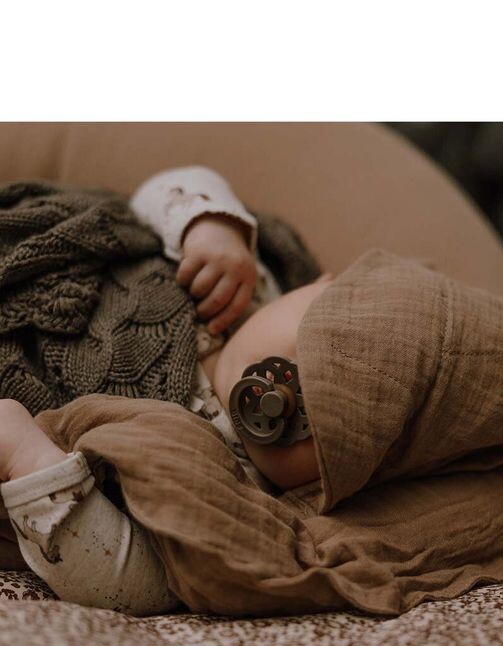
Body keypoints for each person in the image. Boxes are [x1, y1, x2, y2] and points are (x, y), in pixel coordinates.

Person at [0, 166, 330, 615]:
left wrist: (29, 458)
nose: (284, 397)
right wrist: (210, 226)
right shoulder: (256, 280)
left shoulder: (236, 493)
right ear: (319, 286)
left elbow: (138, 580)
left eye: (334, 426)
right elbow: (155, 196)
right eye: (321, 339)